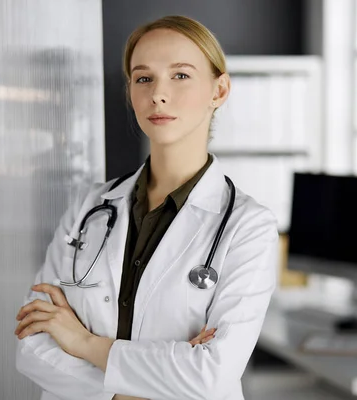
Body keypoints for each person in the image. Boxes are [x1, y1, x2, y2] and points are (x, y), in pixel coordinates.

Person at [14, 15, 279, 400]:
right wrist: (136, 390)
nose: (158, 93)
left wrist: (83, 342)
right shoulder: (88, 208)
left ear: (219, 90)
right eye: (143, 78)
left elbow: (211, 374)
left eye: (181, 75)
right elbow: (32, 344)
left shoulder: (248, 226)